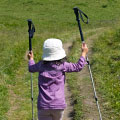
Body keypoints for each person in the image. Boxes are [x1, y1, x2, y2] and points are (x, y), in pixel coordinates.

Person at [28, 38, 88, 120]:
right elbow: (78, 67)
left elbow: (31, 68)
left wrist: (31, 59)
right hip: (58, 105)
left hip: (43, 105)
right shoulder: (63, 65)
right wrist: (83, 53)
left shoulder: (40, 65)